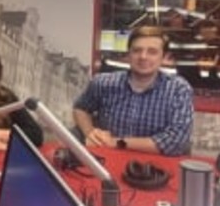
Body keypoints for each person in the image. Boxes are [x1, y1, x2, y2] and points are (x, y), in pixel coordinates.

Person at [73, 26, 193, 156]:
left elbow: (175, 142)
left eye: (152, 52)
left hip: (155, 164)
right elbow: (81, 108)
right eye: (137, 50)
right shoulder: (103, 82)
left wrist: (117, 142)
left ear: (164, 57)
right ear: (128, 54)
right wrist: (90, 133)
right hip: (108, 159)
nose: (143, 57)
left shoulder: (178, 90)